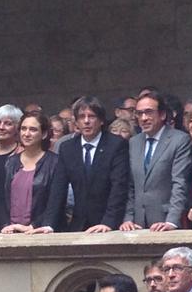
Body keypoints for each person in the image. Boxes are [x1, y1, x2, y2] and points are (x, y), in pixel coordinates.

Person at [44, 96, 129, 233]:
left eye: (92, 116)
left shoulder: (116, 145)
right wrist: (49, 224)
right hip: (79, 223)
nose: (86, 121)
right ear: (76, 121)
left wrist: (108, 222)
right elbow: (58, 188)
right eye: (81, 117)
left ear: (101, 120)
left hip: (109, 224)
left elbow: (119, 187)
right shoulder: (68, 148)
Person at [122, 91, 192, 231]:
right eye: (139, 113)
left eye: (149, 112)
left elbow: (179, 183)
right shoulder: (134, 142)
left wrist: (171, 221)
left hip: (165, 221)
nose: (144, 118)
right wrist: (128, 219)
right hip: (137, 224)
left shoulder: (179, 140)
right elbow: (131, 186)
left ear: (162, 114)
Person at [2, 113, 59, 234]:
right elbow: (2, 199)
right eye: (23, 129)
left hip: (40, 231)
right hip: (11, 231)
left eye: (33, 129)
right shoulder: (10, 162)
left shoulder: (55, 162)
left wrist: (34, 226)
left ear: (44, 134)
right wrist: (6, 225)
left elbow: (55, 202)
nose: (26, 134)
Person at [0, 105, 22, 231]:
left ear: (17, 127)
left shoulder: (23, 154)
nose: (1, 127)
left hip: (12, 218)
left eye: (8, 124)